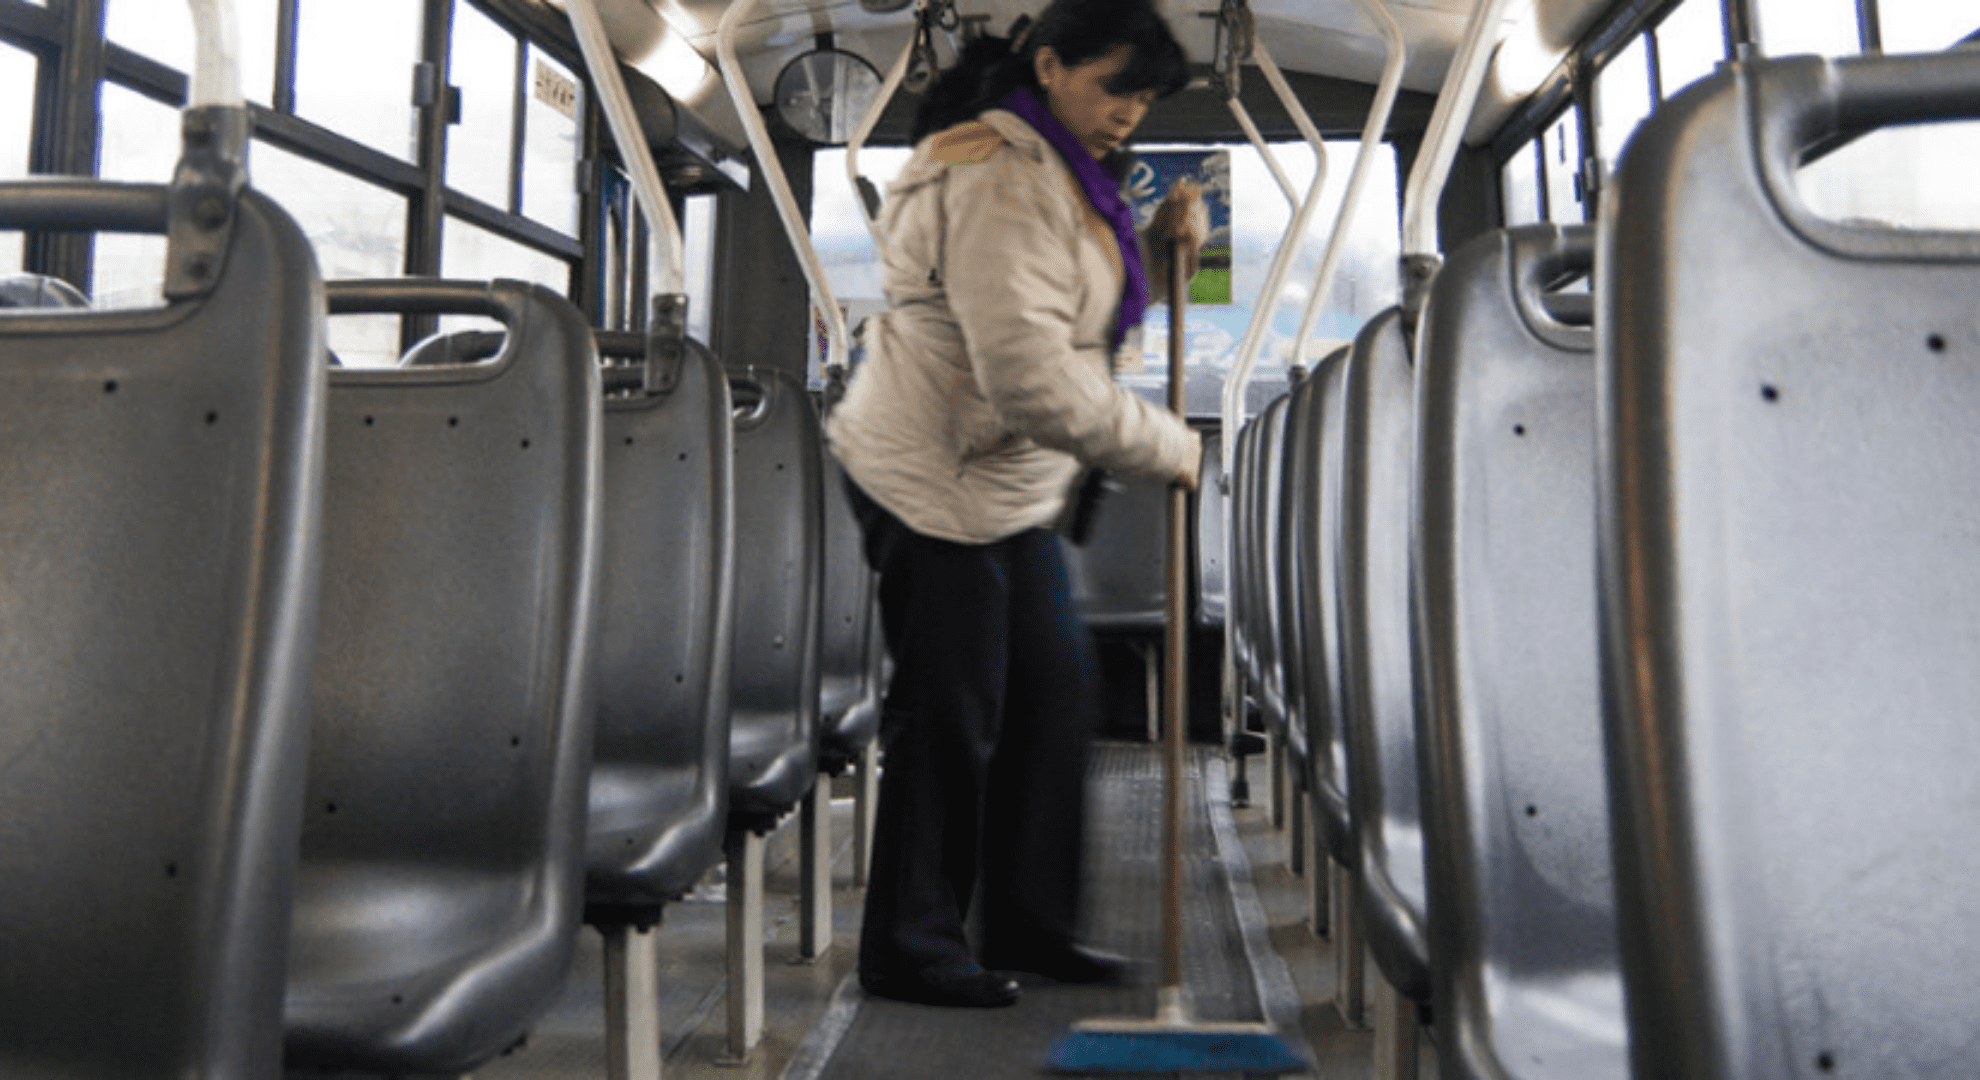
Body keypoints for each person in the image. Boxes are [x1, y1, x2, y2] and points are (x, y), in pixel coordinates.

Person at [824, 0, 1208, 1009]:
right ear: (1048, 65)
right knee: (951, 709)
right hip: (931, 472)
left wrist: (1162, 262)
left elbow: (1072, 319)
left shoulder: (1067, 173)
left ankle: (1032, 923)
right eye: (1112, 85)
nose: (1128, 111)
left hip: (1005, 479)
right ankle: (908, 947)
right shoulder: (995, 175)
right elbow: (1031, 377)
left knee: (1052, 692)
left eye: (1143, 95)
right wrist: (1169, 443)